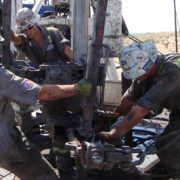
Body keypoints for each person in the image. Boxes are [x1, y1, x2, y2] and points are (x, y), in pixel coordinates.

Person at [0, 59, 91, 180]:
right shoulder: (3, 77)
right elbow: (42, 93)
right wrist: (77, 89)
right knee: (46, 176)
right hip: (7, 144)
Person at [100, 42, 180, 174]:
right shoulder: (146, 74)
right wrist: (112, 119)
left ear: (149, 63)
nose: (136, 77)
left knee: (167, 147)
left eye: (138, 73)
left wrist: (113, 134)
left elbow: (141, 109)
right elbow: (128, 99)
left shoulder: (172, 70)